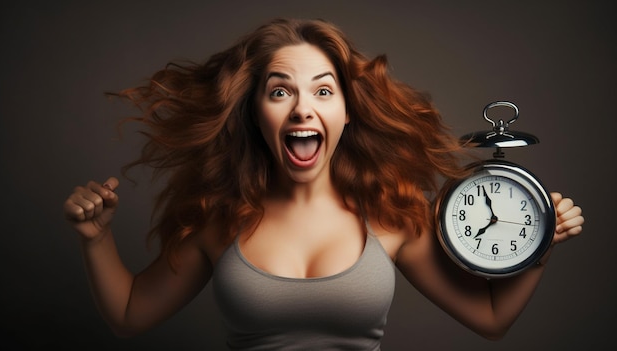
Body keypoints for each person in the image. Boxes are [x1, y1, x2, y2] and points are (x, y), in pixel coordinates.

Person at [63, 18, 584, 350]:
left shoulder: (391, 215)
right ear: (254, 113)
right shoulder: (219, 219)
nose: (302, 108)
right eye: (280, 91)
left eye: (323, 90)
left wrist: (540, 242)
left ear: (347, 112)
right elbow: (130, 316)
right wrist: (97, 239)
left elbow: (491, 318)